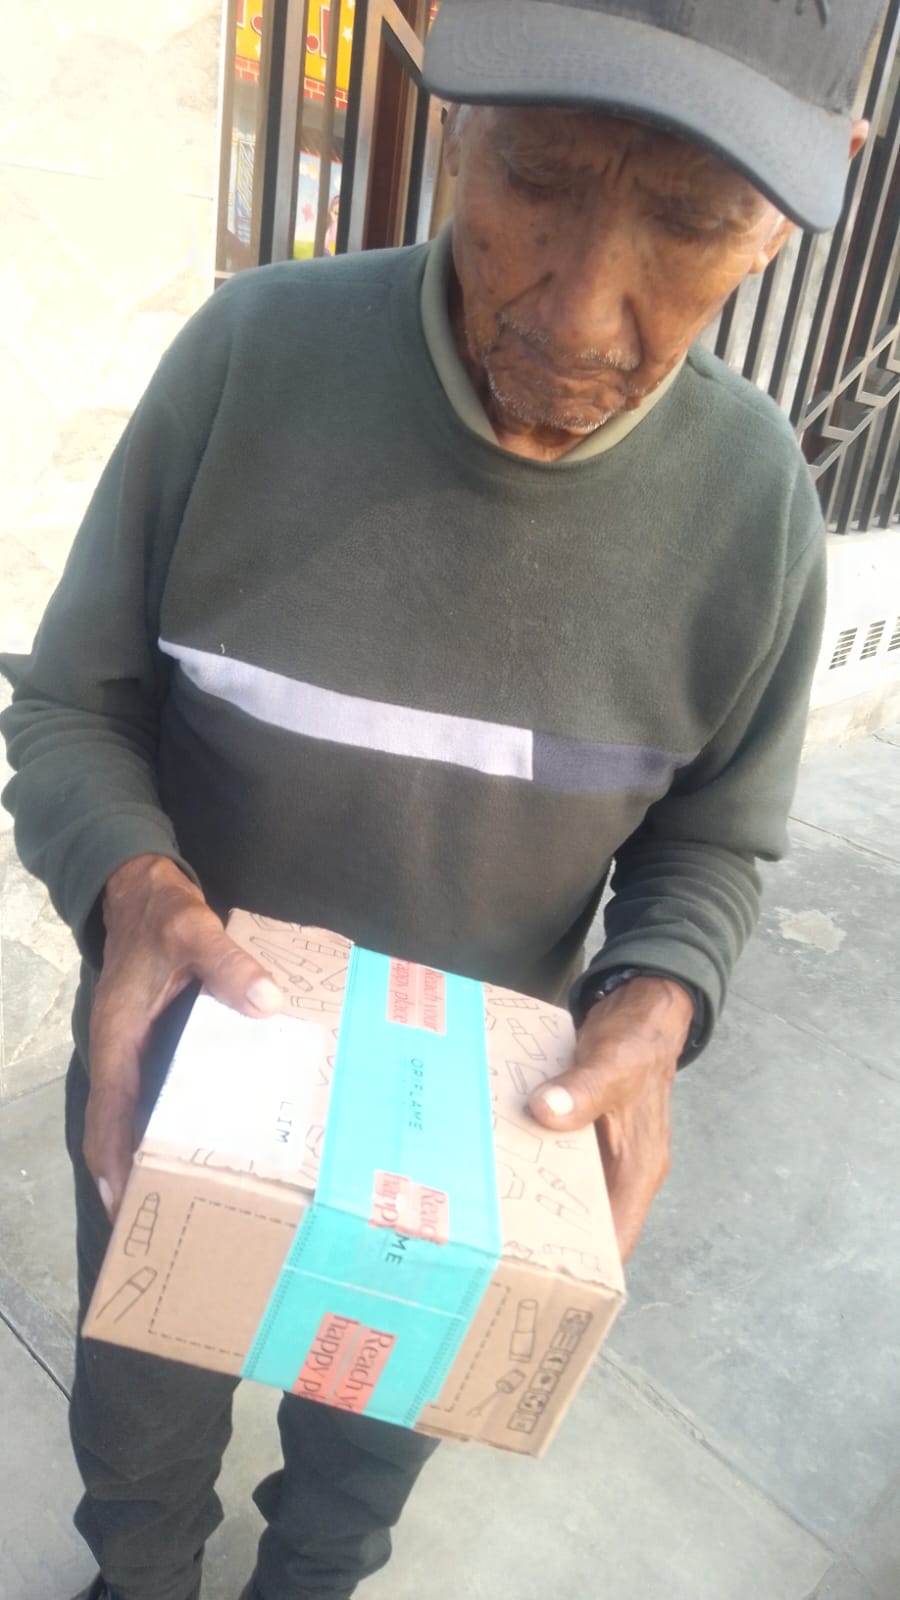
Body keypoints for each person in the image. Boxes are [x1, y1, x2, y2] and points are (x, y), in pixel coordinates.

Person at [0, 2, 883, 1598]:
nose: (579, 308)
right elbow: (74, 705)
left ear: (792, 209)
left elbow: (711, 844)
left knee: (360, 1465)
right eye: (536, 174)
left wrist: (658, 997)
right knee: (138, 1431)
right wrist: (137, 888)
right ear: (452, 109)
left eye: (689, 218)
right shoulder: (250, 361)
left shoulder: (756, 508)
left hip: (467, 1161)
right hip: (186, 1086)